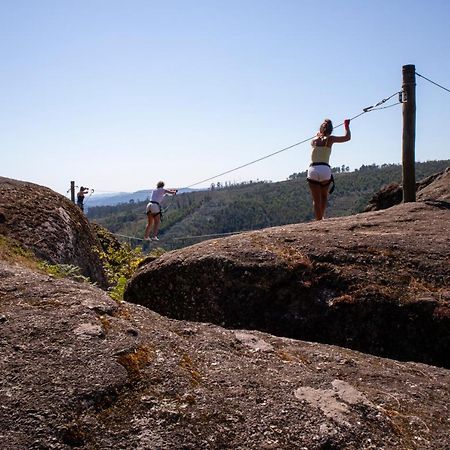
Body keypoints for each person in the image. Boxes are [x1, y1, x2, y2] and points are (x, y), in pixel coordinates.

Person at [307, 118, 351, 220]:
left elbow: (316, 139)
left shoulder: (314, 140)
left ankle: (318, 220)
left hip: (313, 169)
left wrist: (318, 134)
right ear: (331, 130)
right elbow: (347, 137)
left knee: (316, 200)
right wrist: (346, 126)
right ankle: (321, 218)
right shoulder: (330, 139)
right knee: (324, 197)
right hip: (325, 169)